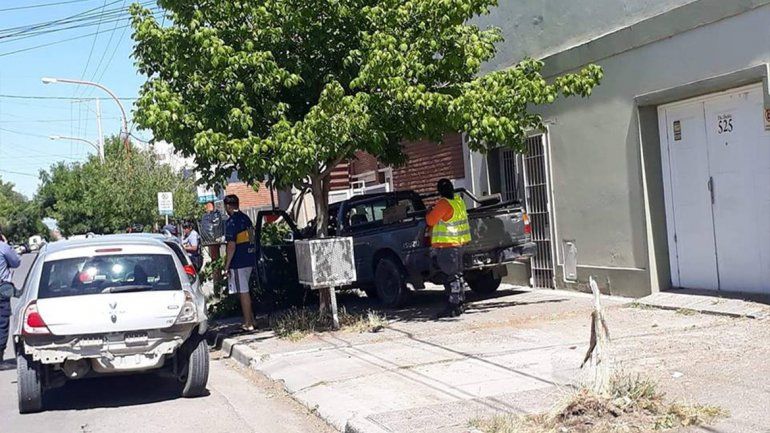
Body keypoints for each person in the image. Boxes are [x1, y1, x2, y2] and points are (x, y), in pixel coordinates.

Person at [426, 179, 472, 318]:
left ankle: (453, 305)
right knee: (458, 275)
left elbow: (430, 220)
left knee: (451, 277)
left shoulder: (443, 203)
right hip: (459, 244)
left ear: (439, 191)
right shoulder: (458, 201)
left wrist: (429, 211)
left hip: (447, 246)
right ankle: (460, 303)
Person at [223, 194, 256, 330]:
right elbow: (252, 238)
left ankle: (248, 323)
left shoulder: (231, 222)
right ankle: (252, 319)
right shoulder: (246, 218)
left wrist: (226, 266)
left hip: (238, 262)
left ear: (228, 206)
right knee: (245, 290)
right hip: (249, 259)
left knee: (243, 292)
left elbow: (231, 246)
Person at [0, 229, 22, 363]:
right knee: (2, 322)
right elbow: (16, 262)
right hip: (2, 289)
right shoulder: (3, 247)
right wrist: (6, 244)